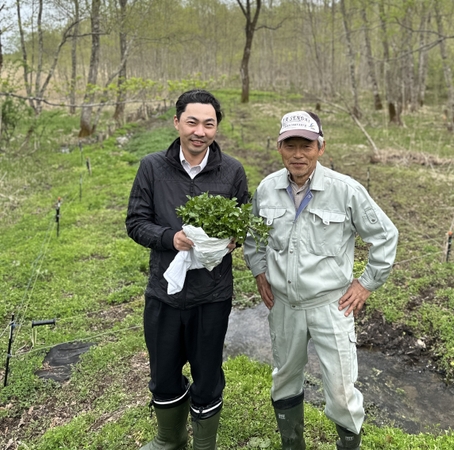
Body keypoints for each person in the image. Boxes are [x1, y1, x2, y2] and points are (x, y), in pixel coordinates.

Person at [243, 111, 398, 449]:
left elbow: (385, 236)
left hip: (331, 305)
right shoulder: (267, 189)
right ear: (279, 148)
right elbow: (253, 237)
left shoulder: (346, 190)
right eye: (290, 146)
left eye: (307, 146)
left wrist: (366, 283)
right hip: (284, 305)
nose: (298, 154)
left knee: (341, 391)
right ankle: (292, 444)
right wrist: (259, 271)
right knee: (285, 378)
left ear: (321, 148)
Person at [126, 89, 249, 450]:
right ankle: (170, 438)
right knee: (163, 373)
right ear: (177, 122)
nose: (200, 131)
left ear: (216, 128)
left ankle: (204, 444)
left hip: (212, 294)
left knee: (207, 375)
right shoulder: (152, 167)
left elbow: (242, 224)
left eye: (208, 124)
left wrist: (232, 240)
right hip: (165, 292)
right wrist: (170, 237)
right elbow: (135, 222)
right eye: (192, 122)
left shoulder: (232, 171)